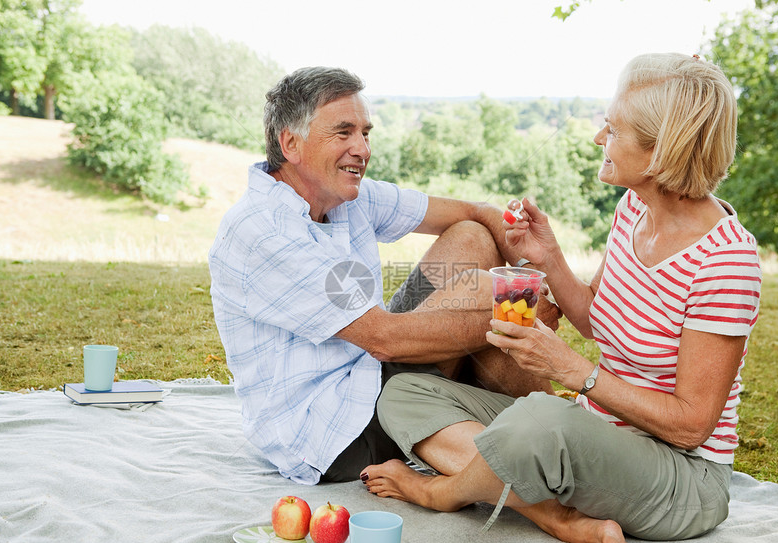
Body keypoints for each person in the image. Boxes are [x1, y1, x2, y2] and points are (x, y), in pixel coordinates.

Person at [361, 53, 762, 543]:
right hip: (593, 433)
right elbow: (603, 321)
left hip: (683, 479)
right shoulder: (635, 211)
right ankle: (558, 514)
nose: (599, 138)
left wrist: (575, 372)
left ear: (663, 150)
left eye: (613, 129)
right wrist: (548, 258)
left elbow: (691, 426)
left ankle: (441, 493)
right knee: (406, 392)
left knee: (542, 420)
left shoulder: (725, 260)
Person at [208, 66, 562, 485]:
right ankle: (555, 436)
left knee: (471, 239)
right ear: (291, 143)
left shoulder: (344, 196)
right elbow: (384, 339)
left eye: (365, 133)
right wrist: (522, 306)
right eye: (343, 133)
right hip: (334, 432)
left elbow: (477, 212)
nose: (361, 148)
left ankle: (535, 419)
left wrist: (523, 273)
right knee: (487, 293)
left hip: (370, 370)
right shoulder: (262, 232)